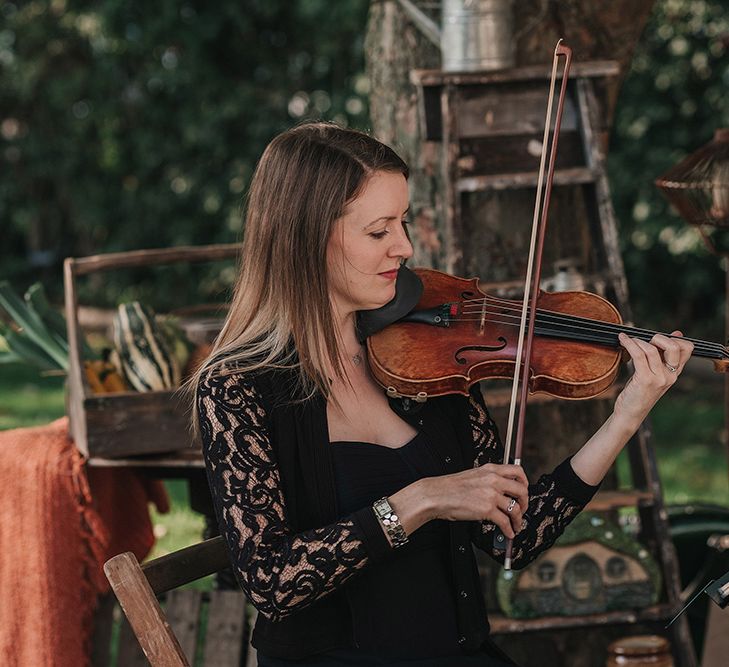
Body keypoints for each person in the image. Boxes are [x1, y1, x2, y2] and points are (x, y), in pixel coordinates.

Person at [192, 122, 694, 666]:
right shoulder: (237, 387)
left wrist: (628, 411)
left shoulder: (424, 359)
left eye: (402, 223)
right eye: (379, 230)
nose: (404, 247)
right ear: (305, 237)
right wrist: (422, 500)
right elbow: (272, 581)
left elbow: (512, 539)